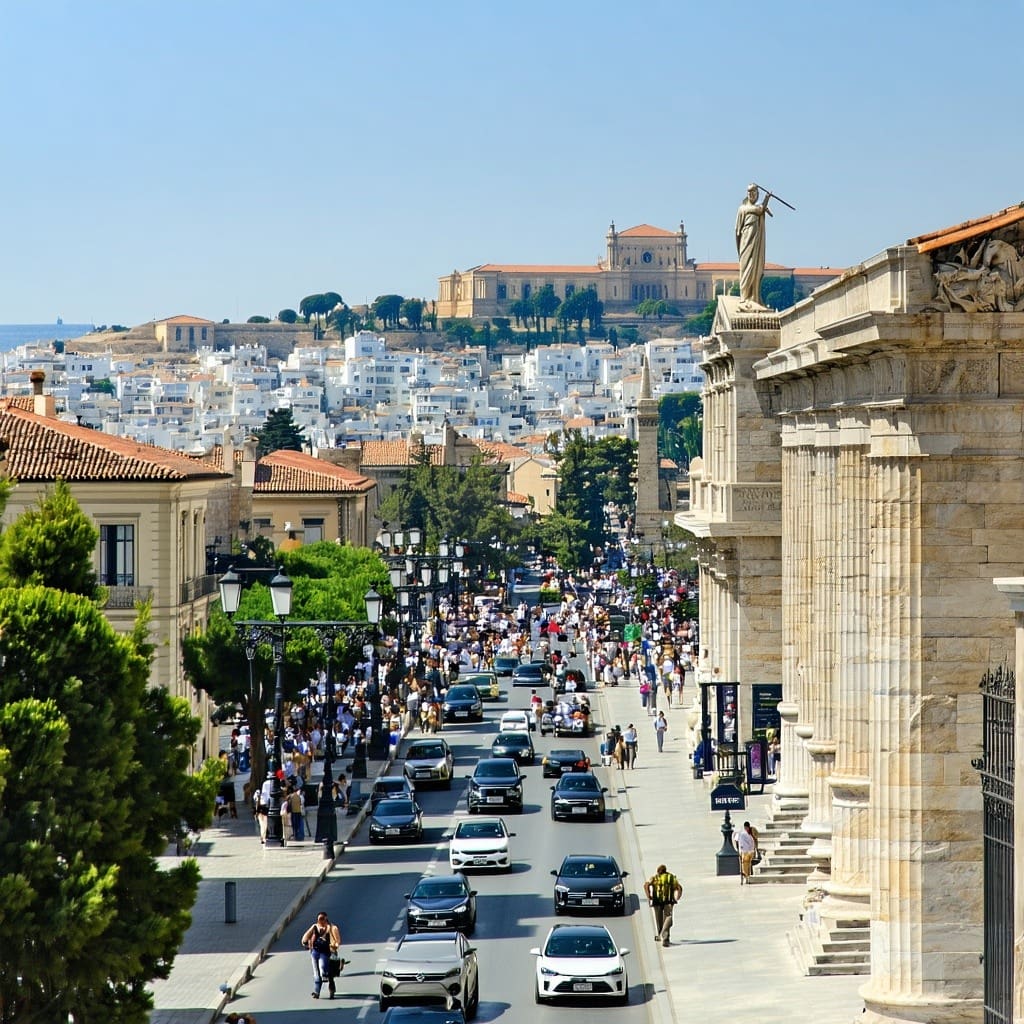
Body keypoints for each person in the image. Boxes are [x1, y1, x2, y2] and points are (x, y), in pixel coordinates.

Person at [735, 182, 771, 308]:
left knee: (755, 268)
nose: (751, 194)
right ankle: (745, 297)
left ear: (757, 194)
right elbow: (737, 230)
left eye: (754, 192)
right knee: (746, 268)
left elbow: (760, 210)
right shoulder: (743, 208)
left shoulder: (758, 209)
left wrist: (766, 200)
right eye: (749, 192)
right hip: (745, 241)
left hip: (756, 242)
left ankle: (754, 296)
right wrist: (766, 200)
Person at [301, 910, 342, 999]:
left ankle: (331, 985)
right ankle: (317, 992)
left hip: (328, 952)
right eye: (319, 919)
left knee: (324, 970)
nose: (320, 921)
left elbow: (337, 941)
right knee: (316, 973)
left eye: (322, 919)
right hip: (315, 952)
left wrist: (334, 945)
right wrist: (305, 942)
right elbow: (305, 936)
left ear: (326, 919)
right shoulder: (315, 927)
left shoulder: (332, 928)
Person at [643, 864, 682, 946]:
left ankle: (661, 935)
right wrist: (677, 896)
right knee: (668, 918)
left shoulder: (654, 878)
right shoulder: (670, 877)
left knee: (659, 920)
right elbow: (679, 887)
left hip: (657, 902)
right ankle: (665, 937)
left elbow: (646, 885)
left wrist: (649, 895)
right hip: (668, 901)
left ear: (658, 871)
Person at [735, 820, 760, 884]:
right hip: (747, 850)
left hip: (748, 851)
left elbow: (756, 838)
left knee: (747, 863)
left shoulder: (751, 831)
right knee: (747, 863)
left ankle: (747, 876)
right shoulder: (743, 833)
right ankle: (747, 876)